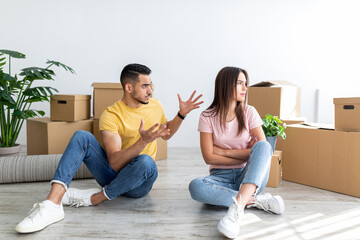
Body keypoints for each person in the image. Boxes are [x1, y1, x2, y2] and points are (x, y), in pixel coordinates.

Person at [15, 63, 203, 233]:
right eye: (145, 86)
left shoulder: (155, 105)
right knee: (82, 137)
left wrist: (181, 115)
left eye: (151, 85)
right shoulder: (111, 114)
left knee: (146, 162)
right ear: (129, 88)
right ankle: (52, 204)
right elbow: (113, 163)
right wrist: (142, 142)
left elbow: (166, 133)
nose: (150, 91)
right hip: (112, 175)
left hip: (139, 183)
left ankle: (95, 198)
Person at [188, 66, 285, 239]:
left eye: (245, 84)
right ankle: (254, 200)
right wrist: (246, 152)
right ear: (225, 85)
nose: (245, 88)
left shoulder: (249, 112)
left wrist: (223, 152)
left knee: (263, 146)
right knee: (196, 187)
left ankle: (237, 208)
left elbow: (261, 151)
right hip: (220, 177)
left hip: (249, 175)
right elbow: (208, 157)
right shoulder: (207, 116)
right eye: (240, 83)